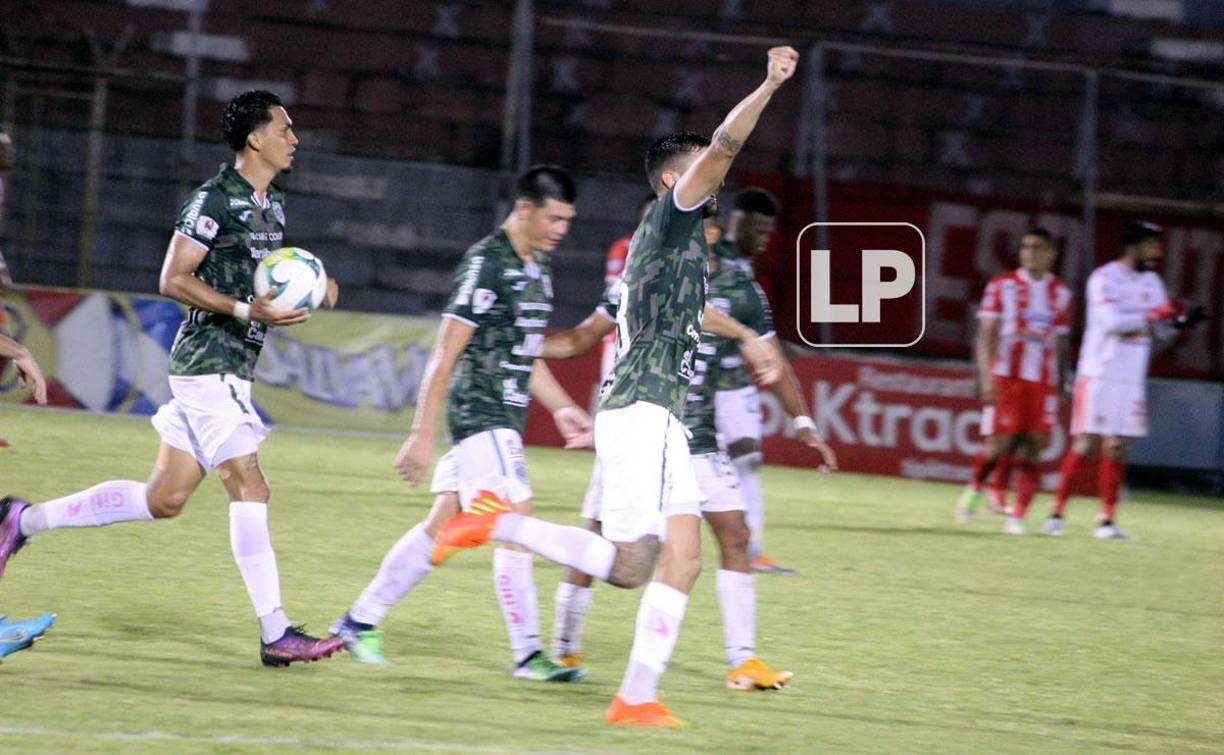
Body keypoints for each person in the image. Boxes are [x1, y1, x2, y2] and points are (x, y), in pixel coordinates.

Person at [426, 46, 799, 727]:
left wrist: (744, 337)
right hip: (642, 411)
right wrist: (770, 84)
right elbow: (725, 143)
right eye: (696, 171)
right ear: (668, 178)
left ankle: (635, 695)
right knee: (643, 563)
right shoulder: (672, 216)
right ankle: (496, 522)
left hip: (663, 417)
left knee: (667, 563)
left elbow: (678, 312)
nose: (712, 179)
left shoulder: (680, 247)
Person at [0, 90, 345, 666]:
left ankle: (20, 519)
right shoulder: (213, 199)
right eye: (285, 128)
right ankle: (276, 633)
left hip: (231, 368)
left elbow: (265, 268)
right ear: (255, 138)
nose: (295, 138)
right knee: (249, 485)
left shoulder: (272, 203)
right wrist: (245, 311)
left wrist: (311, 281)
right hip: (209, 364)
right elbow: (172, 277)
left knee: (165, 499)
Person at [328, 165, 594, 683]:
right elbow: (444, 353)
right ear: (523, 209)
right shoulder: (486, 263)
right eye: (554, 218)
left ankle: (358, 621)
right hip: (480, 411)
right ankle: (528, 655)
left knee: (443, 526)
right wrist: (421, 432)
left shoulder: (539, 268)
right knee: (516, 520)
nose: (561, 229)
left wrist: (560, 406)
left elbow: (526, 351)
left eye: (568, 220)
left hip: (505, 419)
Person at [545, 246, 810, 691]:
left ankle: (740, 663)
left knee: (731, 537)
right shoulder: (645, 277)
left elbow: (769, 357)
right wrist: (525, 342)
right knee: (607, 545)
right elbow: (583, 337)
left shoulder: (736, 287)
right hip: (639, 427)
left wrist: (802, 417)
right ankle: (564, 645)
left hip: (696, 437)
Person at [1042, 222, 1199, 539]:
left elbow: (1159, 331)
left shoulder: (1153, 282)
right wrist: (1154, 316)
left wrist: (1179, 323)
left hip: (1130, 376)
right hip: (1099, 372)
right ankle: (1055, 515)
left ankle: (1107, 522)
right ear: (1133, 246)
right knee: (1085, 443)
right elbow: (1113, 323)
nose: (1156, 253)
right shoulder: (1104, 279)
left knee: (1117, 446)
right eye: (1151, 246)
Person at [709, 188, 837, 574]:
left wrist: (801, 418)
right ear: (738, 223)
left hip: (733, 382)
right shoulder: (714, 258)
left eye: (769, 234)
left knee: (747, 460)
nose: (763, 241)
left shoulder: (745, 273)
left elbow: (754, 331)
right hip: (692, 383)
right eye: (758, 231)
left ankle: (751, 552)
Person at [954, 229, 1072, 534]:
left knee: (1034, 446)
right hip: (1006, 377)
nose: (1030, 252)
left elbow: (1059, 343)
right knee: (998, 446)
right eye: (1026, 247)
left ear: (1051, 254)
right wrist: (984, 376)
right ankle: (975, 487)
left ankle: (1017, 517)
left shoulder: (1060, 293)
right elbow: (986, 334)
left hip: (1041, 381)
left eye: (1038, 247)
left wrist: (1061, 383)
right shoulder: (1001, 285)